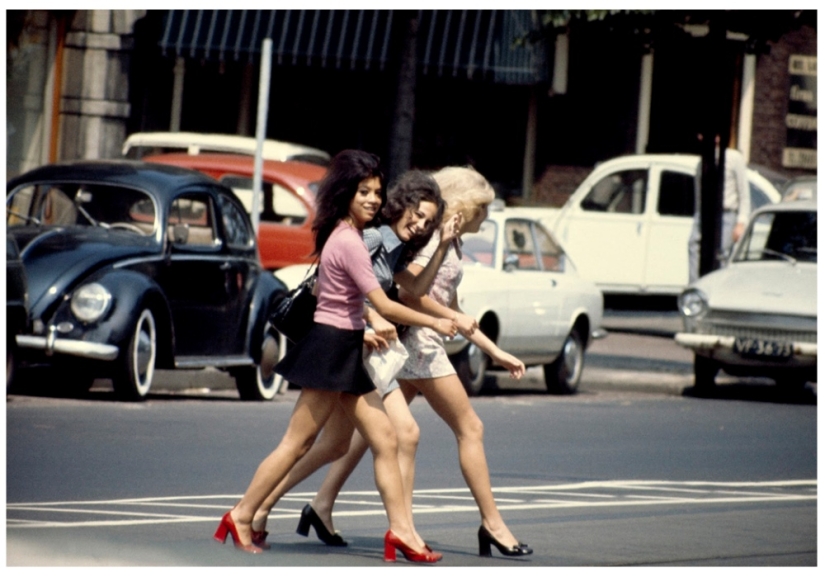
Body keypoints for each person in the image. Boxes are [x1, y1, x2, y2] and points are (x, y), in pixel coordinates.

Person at [213, 150, 457, 563]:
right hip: (331, 348)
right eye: (364, 191)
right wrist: (435, 322)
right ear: (346, 193)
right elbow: (384, 302)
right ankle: (241, 513)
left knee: (384, 438)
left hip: (346, 348)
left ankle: (401, 532)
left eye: (377, 192)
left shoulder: (349, 237)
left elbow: (355, 300)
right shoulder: (349, 241)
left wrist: (374, 319)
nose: (373, 200)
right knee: (298, 442)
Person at [393, 165, 533, 558]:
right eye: (482, 209)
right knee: (470, 427)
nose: (486, 217)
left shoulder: (450, 244)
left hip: (421, 339)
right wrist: (450, 319)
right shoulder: (433, 240)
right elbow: (411, 293)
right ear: (464, 207)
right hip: (421, 342)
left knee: (365, 435)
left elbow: (454, 307)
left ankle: (320, 506)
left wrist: (496, 351)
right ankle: (493, 524)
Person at [689, 138, 751, 283]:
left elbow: (744, 193)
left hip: (726, 213)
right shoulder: (702, 162)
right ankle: (695, 287)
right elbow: (699, 194)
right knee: (693, 245)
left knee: (721, 253)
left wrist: (741, 222)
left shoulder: (734, 158)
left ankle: (719, 289)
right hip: (705, 213)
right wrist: (698, 215)